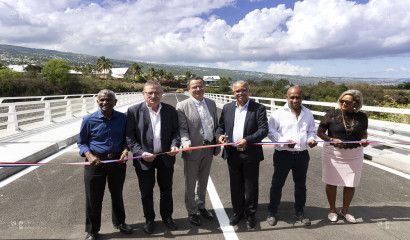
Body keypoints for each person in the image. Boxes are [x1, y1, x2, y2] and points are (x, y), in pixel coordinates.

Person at [77, 89, 133, 240]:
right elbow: (82, 143)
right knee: (93, 197)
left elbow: (127, 139)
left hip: (117, 161)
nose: (105, 102)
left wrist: (126, 150)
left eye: (108, 100)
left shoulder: (123, 118)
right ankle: (92, 230)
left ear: (115, 102)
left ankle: (120, 223)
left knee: (117, 194)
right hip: (95, 162)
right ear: (97, 102)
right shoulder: (88, 120)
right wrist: (89, 155)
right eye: (101, 100)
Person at [126, 81, 180, 234]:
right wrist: (140, 153)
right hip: (144, 159)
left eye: (157, 92)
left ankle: (167, 217)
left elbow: (175, 132)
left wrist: (174, 145)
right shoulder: (133, 111)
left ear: (162, 94)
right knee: (146, 192)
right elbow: (130, 137)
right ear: (143, 94)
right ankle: (149, 219)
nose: (153, 96)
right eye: (149, 93)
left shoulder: (170, 110)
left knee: (166, 190)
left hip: (165, 158)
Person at [216, 80, 268, 229]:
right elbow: (220, 127)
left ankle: (251, 214)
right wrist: (219, 136)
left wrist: (247, 140)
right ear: (233, 93)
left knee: (251, 186)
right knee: (236, 185)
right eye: (237, 91)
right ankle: (237, 213)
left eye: (243, 90)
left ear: (248, 91)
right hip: (232, 154)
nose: (240, 93)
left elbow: (263, 130)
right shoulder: (227, 108)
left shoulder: (259, 108)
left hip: (250, 153)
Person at [266, 86, 317, 227]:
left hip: (302, 155)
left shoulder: (308, 113)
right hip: (283, 155)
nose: (295, 100)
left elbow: (312, 130)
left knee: (301, 185)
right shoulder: (278, 113)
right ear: (287, 97)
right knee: (277, 185)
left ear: (302, 97)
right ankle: (272, 212)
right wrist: (283, 142)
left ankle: (299, 211)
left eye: (298, 97)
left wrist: (311, 139)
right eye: (292, 97)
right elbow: (270, 132)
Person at [317, 89, 369, 224]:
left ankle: (345, 211)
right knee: (332, 182)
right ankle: (332, 210)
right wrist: (331, 139)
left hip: (354, 153)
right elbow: (320, 132)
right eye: (342, 101)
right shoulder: (331, 114)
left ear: (356, 103)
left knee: (351, 183)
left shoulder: (362, 117)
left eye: (347, 102)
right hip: (333, 153)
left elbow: (364, 133)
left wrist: (364, 140)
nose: (344, 103)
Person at [176, 77, 221, 226]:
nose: (198, 89)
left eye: (200, 86)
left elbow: (215, 124)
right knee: (190, 182)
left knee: (203, 180)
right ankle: (192, 211)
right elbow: (182, 129)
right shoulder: (182, 106)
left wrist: (218, 139)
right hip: (192, 149)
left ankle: (201, 205)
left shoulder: (211, 103)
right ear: (188, 89)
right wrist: (185, 142)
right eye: (194, 87)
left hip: (209, 148)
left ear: (204, 87)